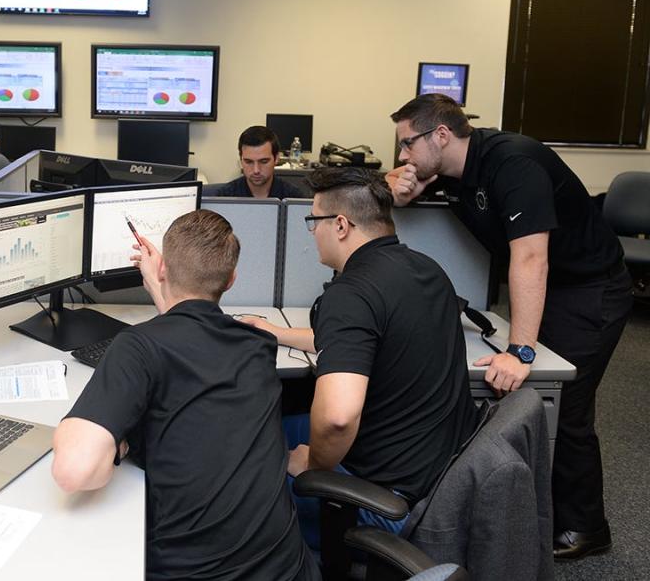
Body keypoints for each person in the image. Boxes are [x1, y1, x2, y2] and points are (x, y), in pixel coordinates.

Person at [387, 93, 632, 560]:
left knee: (568, 404)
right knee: (533, 403)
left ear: (441, 135)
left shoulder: (513, 163)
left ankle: (587, 526)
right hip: (546, 288)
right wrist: (397, 183)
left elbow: (531, 256)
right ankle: (532, 512)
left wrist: (520, 351)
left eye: (406, 144)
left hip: (590, 289)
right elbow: (395, 184)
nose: (402, 155)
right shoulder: (453, 168)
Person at [51, 209, 319, 580]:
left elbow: (73, 472)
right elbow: (192, 330)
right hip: (288, 569)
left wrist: (122, 445)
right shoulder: (257, 344)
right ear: (231, 280)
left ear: (163, 271)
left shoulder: (138, 346)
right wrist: (164, 289)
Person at [243, 167, 478, 536]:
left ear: (340, 225)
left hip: (384, 499)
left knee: (243, 478)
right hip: (437, 472)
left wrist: (313, 466)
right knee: (265, 430)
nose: (312, 233)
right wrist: (277, 333)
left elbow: (338, 418)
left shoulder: (350, 293)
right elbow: (362, 337)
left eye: (313, 221)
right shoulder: (427, 269)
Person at [210, 125, 304, 198]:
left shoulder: (294, 198)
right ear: (241, 159)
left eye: (264, 161)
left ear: (276, 158)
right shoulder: (224, 197)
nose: (256, 170)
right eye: (249, 162)